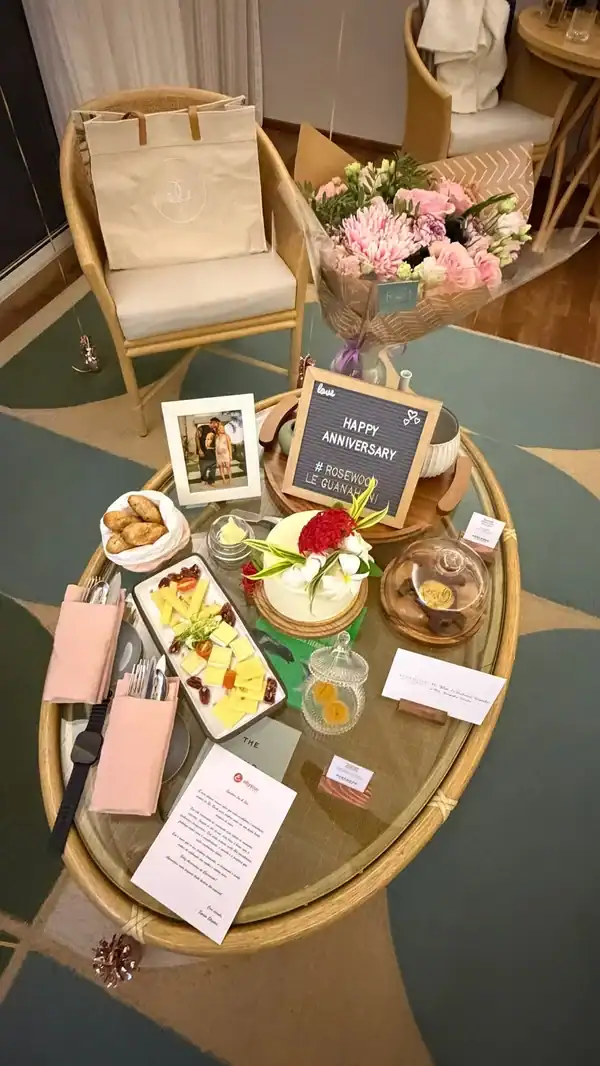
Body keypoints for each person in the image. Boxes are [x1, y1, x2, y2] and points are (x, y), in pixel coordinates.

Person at [195, 422, 216, 486]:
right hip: (203, 451)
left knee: (213, 466)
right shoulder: (202, 428)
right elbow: (197, 437)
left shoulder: (215, 429)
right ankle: (204, 478)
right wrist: (199, 449)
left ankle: (211, 481)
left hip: (212, 451)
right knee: (203, 466)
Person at [214, 420, 233, 485]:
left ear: (224, 429)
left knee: (228, 467)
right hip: (219, 455)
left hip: (226, 454)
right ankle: (224, 479)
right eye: (220, 428)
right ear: (218, 430)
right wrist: (216, 457)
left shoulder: (226, 436)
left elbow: (229, 446)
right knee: (221, 468)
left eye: (222, 428)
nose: (221, 429)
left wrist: (230, 455)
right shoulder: (217, 437)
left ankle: (230, 479)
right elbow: (216, 448)